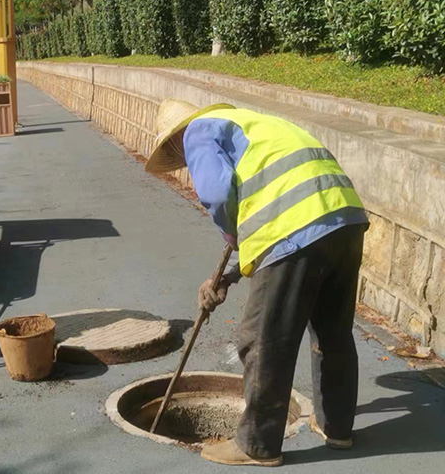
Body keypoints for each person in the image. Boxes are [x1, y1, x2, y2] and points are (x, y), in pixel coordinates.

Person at [145, 100, 369, 467]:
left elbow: (219, 196)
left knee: (264, 339)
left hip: (295, 232)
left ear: (177, 140)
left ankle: (257, 444)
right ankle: (336, 427)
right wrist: (226, 275)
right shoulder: (257, 125)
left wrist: (230, 236)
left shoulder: (200, 132)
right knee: (333, 333)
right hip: (345, 220)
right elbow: (266, 206)